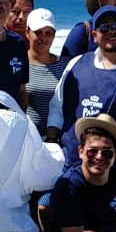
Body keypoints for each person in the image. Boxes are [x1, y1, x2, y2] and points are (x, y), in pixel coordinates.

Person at [47, 5, 116, 198]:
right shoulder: (76, 64)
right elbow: (57, 106)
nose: (112, 32)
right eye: (104, 28)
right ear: (94, 35)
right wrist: (51, 142)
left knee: (111, 226)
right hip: (72, 166)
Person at [24, 8, 67, 138]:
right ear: (27, 33)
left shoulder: (65, 65)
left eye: (49, 33)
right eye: (38, 32)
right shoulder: (19, 63)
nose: (44, 37)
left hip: (56, 141)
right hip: (26, 138)